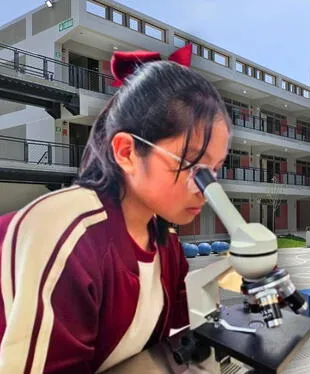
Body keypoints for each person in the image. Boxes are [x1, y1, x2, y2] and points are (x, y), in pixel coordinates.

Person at [0, 44, 232, 373]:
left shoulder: (165, 245)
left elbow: (174, 344)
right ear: (126, 152)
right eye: (194, 165)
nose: (206, 189)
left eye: (216, 169)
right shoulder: (67, 235)